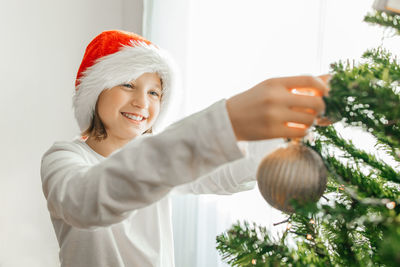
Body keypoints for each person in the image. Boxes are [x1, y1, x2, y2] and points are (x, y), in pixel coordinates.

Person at [40, 30, 329, 267]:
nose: (143, 102)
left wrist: (283, 133)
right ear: (95, 93)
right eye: (127, 84)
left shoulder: (156, 156)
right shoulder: (64, 158)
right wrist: (227, 122)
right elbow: (86, 201)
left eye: (154, 92)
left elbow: (221, 172)